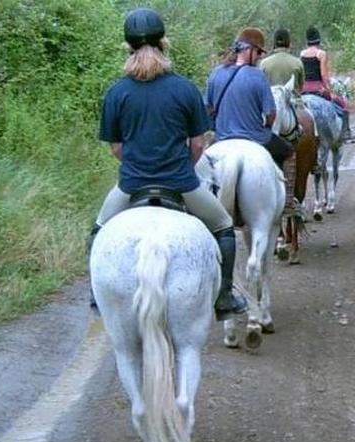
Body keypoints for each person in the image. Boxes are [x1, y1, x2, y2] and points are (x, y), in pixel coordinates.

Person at [88, 8, 247, 317]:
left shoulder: (116, 93)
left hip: (132, 185)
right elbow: (198, 144)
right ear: (164, 43)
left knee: (98, 231)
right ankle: (225, 296)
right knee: (223, 226)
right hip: (181, 183)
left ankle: (96, 297)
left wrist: (138, 164)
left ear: (128, 47)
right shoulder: (185, 88)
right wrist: (182, 166)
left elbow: (116, 148)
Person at [205, 27, 297, 213]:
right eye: (258, 53)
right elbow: (270, 113)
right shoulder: (257, 75)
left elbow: (207, 109)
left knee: (202, 165)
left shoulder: (216, 73)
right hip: (255, 137)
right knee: (289, 154)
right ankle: (288, 205)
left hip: (221, 138)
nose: (259, 58)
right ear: (248, 50)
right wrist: (267, 126)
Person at [300, 26, 355, 142]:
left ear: (307, 40)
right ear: (318, 39)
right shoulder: (321, 54)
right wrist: (330, 91)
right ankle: (345, 134)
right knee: (343, 104)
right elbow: (324, 75)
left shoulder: (302, 54)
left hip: (304, 89)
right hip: (318, 88)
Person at [259, 28, 304, 97]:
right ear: (289, 43)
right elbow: (301, 87)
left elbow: (261, 87)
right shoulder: (297, 63)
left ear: (274, 43)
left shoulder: (264, 64)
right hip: (293, 101)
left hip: (271, 101)